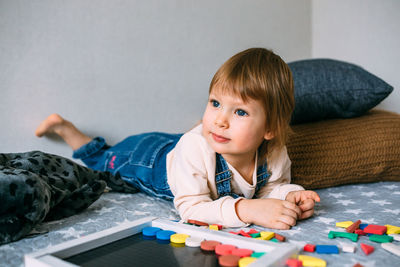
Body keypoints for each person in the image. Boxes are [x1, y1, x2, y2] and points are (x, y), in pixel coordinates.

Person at [35, 48, 320, 229]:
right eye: (215, 103)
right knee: (104, 164)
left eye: (241, 112)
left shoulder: (275, 152)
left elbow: (271, 189)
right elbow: (191, 210)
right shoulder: (196, 146)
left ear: (269, 129)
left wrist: (290, 196)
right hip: (148, 159)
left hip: (182, 148)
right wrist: (246, 208)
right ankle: (67, 130)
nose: (220, 119)